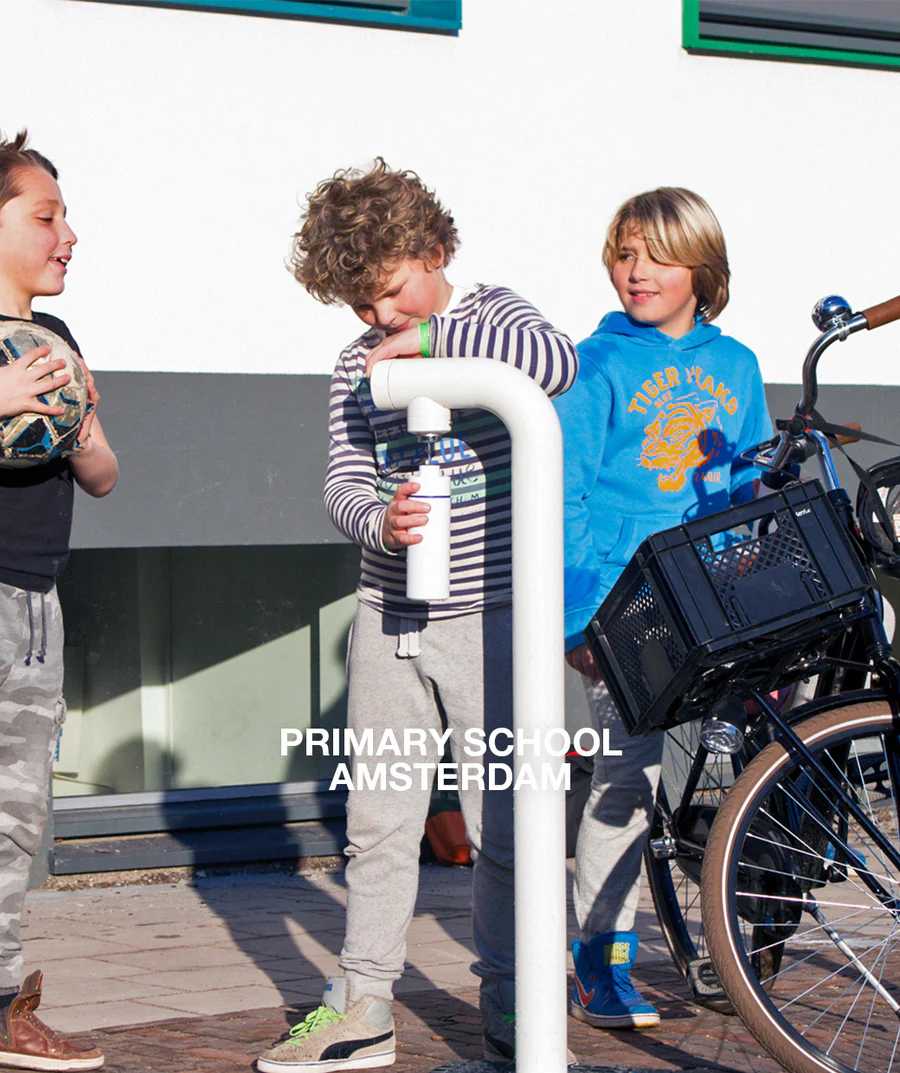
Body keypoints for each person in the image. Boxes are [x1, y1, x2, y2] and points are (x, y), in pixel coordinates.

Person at [257, 159, 578, 1072]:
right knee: (381, 818)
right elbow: (343, 478)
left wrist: (439, 339)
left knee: (505, 822)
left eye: (391, 292)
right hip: (389, 615)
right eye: (361, 306)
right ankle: (362, 1002)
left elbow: (557, 363)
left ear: (433, 251)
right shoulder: (354, 364)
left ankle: (516, 1005)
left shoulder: (495, 314)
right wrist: (379, 520)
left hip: (495, 620)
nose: (381, 319)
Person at [554, 187, 771, 1031]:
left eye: (655, 254)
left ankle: (730, 931)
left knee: (728, 775)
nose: (634, 269)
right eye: (623, 251)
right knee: (626, 778)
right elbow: (564, 493)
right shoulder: (593, 364)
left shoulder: (738, 365)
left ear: (701, 268)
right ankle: (599, 962)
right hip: (623, 604)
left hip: (714, 600)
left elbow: (749, 482)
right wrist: (578, 620)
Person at [0, 130, 118, 1071]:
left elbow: (107, 473)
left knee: (17, 817)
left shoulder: (61, 342)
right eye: (45, 217)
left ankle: (4, 1001)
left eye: (65, 216)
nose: (67, 234)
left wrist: (76, 425)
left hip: (39, 606)